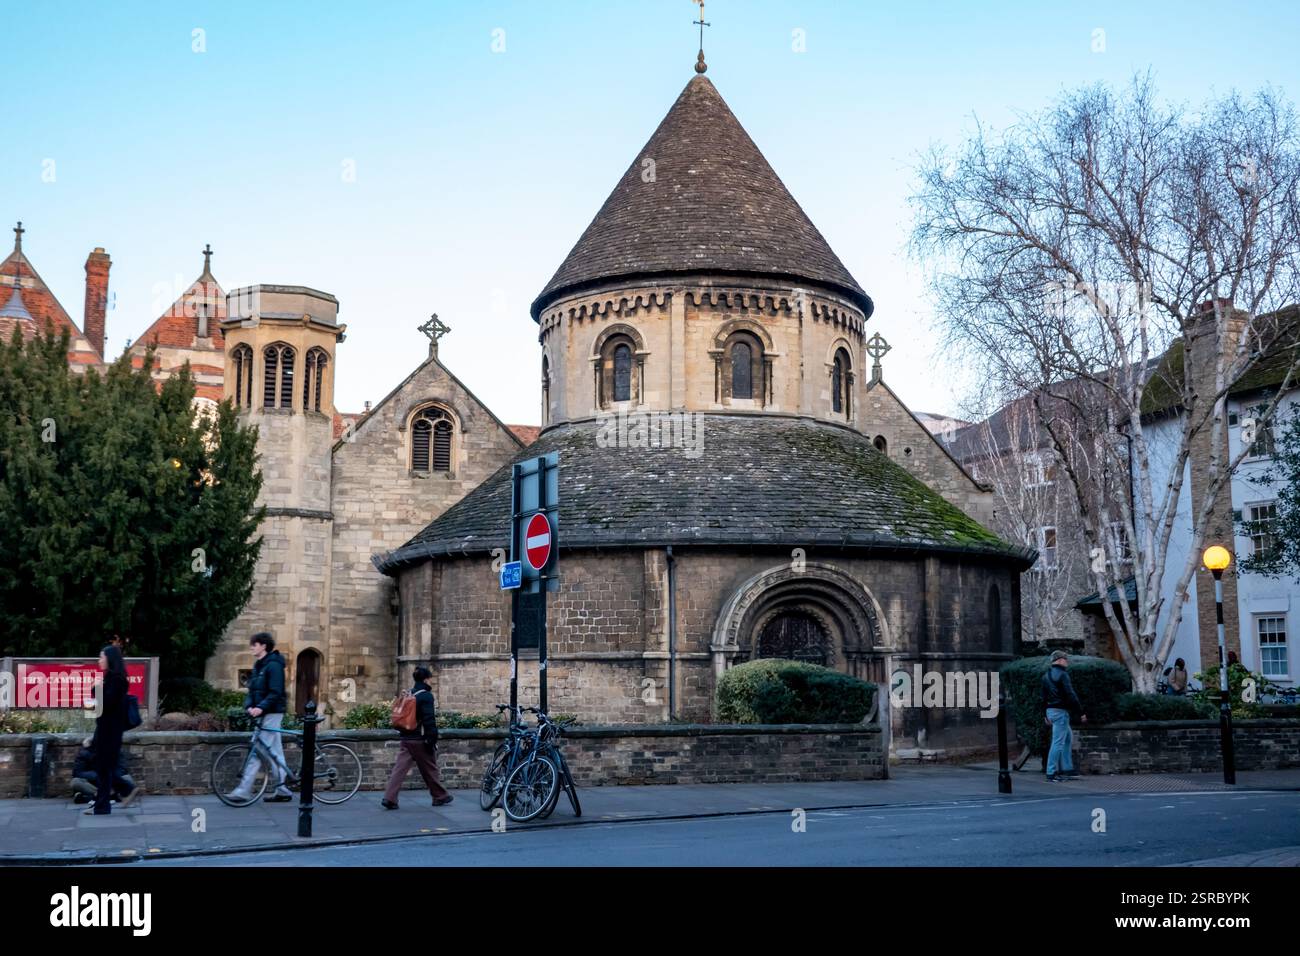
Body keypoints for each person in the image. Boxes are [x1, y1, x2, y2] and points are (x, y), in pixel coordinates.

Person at [226, 632, 294, 804]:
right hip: (263, 712)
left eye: (254, 644)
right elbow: (252, 690)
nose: (251, 647)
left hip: (272, 712)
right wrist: (249, 706)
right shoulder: (258, 666)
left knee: (257, 749)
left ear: (264, 646)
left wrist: (260, 707)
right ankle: (282, 789)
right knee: (274, 752)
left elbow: (276, 692)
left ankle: (243, 791)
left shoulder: (273, 666)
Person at [381, 666, 453, 810]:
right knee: (430, 768)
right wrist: (432, 738)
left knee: (399, 770)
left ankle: (389, 798)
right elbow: (429, 720)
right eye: (430, 678)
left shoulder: (409, 693)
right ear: (426, 679)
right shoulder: (426, 696)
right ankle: (439, 796)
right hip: (419, 739)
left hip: (406, 738)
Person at [86, 645, 129, 815]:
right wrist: (94, 689)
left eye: (101, 657)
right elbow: (92, 711)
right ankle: (104, 803)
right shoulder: (108, 679)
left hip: (111, 731)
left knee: (104, 768)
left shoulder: (118, 680)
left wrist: (96, 689)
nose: (99, 660)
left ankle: (103, 805)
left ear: (110, 659)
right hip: (102, 729)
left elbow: (106, 705)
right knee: (103, 768)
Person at [1041, 650, 1087, 782]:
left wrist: (1044, 714)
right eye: (1066, 659)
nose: (1067, 662)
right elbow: (1071, 694)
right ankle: (1051, 772)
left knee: (1067, 738)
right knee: (1058, 743)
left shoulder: (1046, 676)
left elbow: (1043, 698)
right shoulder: (1063, 675)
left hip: (1051, 711)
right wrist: (1081, 712)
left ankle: (1067, 769)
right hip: (1060, 712)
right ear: (1060, 660)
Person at [71, 736, 139, 806]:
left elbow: (122, 769)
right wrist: (98, 775)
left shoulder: (116, 751)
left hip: (113, 782)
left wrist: (109, 775)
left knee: (128, 779)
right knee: (75, 782)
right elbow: (77, 772)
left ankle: (90, 798)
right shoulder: (84, 754)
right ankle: (112, 795)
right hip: (93, 783)